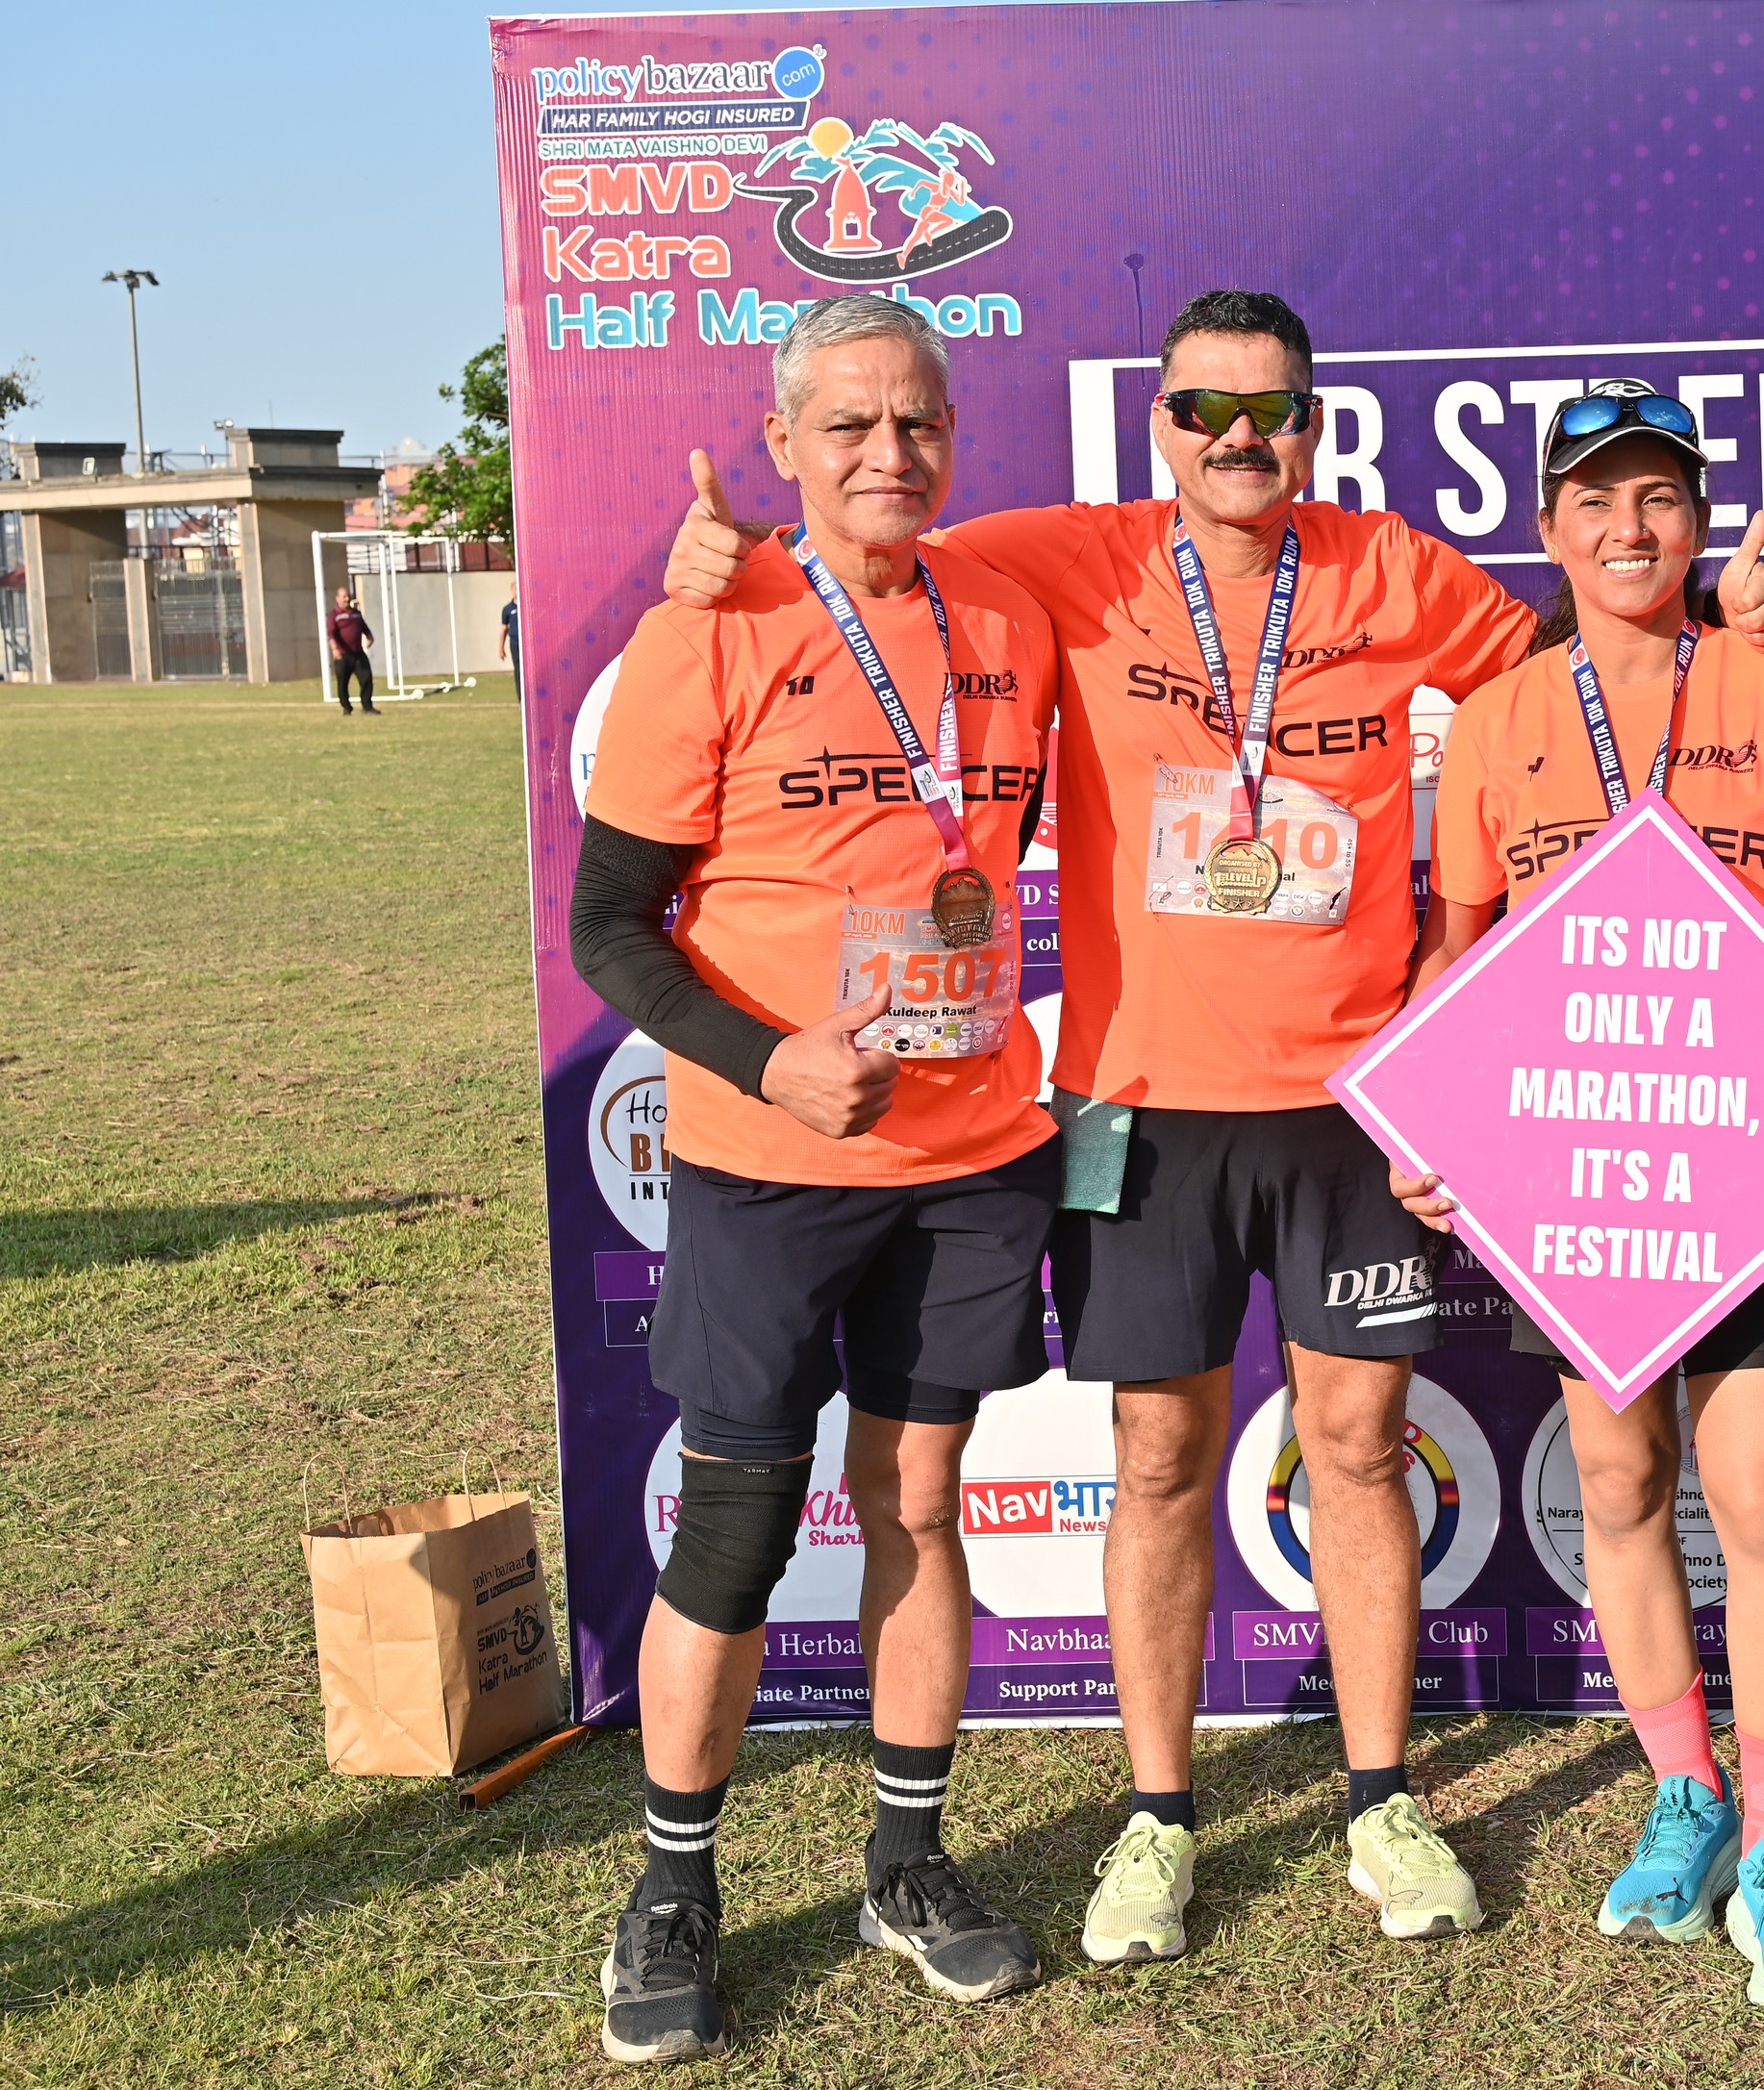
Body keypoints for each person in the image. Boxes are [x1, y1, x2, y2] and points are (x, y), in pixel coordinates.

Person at [654, 290, 1764, 1968]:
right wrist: (727, 563)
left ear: (1314, 426)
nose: (1238, 436)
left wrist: (1727, 618)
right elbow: (868, 561)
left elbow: (1587, 675)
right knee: (1159, 1458)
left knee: (1358, 1445)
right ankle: (1156, 1812)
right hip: (1139, 1099)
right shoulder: (1061, 559)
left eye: (1271, 409)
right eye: (1205, 409)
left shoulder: (1392, 567)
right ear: (1162, 426)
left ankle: (1380, 1795)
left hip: (1352, 1103)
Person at [570, 294, 1058, 2064]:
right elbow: (609, 926)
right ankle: (672, 1887)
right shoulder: (704, 627)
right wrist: (769, 1055)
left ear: (953, 435)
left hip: (972, 1152)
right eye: (846, 425)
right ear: (782, 444)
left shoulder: (1007, 612)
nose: (886, 453)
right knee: (737, 1523)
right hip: (770, 1156)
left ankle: (904, 1863)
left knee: (920, 1503)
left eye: (916, 420)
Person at [1399, 381, 1764, 2008]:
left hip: (1753, 1163)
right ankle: (1684, 1791)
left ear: (1696, 521)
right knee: (1616, 1485)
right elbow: (1459, 947)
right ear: (1548, 528)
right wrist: (1423, 1115)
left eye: (1659, 496)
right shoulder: (1499, 715)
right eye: (1596, 499)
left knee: (1762, 1496)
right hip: (1574, 1170)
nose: (1630, 525)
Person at [328, 586, 376, 714]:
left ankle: (367, 706)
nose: (347, 599)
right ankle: (346, 707)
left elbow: (364, 627)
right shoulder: (334, 615)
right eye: (344, 596)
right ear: (337, 598)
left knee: (366, 678)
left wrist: (370, 637)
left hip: (358, 654)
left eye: (348, 596)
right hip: (343, 655)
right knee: (342, 682)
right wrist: (335, 649)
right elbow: (331, 634)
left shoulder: (356, 613)